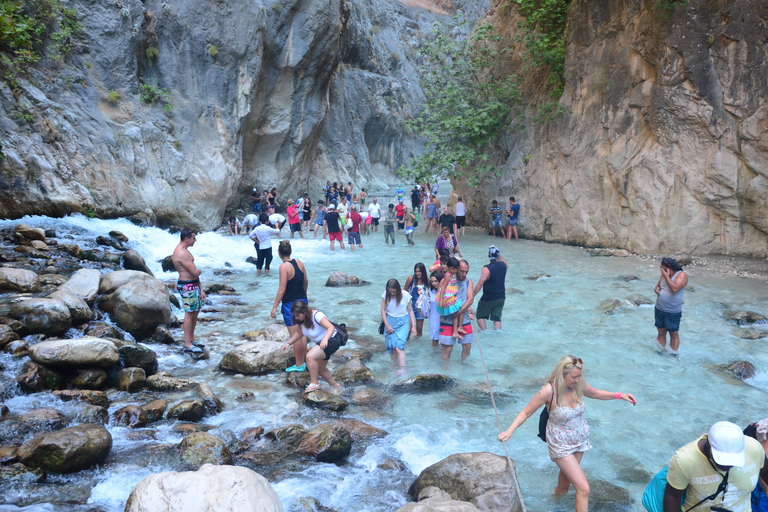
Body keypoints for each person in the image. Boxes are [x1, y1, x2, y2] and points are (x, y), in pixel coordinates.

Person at [498, 356, 637, 512]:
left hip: (579, 441)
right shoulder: (548, 391)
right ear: (562, 375)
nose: (578, 380)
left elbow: (597, 393)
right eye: (574, 377)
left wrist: (619, 395)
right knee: (584, 489)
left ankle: (554, 505)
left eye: (579, 376)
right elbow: (526, 412)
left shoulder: (577, 385)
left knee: (565, 485)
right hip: (560, 444)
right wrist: (510, 430)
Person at [663, 421, 768, 512]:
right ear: (708, 445)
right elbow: (673, 495)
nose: (727, 465)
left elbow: (765, 473)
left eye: (732, 460)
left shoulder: (755, 449)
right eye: (722, 460)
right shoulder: (684, 460)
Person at [281, 301, 342, 393]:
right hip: (322, 343)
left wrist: (325, 339)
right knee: (320, 370)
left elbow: (330, 327)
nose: (296, 318)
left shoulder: (317, 315)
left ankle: (314, 383)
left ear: (304, 312)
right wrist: (288, 343)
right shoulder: (301, 321)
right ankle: (336, 386)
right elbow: (299, 333)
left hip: (332, 340)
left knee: (310, 356)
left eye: (297, 315)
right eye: (295, 316)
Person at [270, 240, 309, 373]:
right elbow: (305, 281)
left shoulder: (283, 267)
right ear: (290, 251)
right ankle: (303, 361)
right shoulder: (299, 262)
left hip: (290, 305)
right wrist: (304, 296)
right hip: (302, 301)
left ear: (279, 253)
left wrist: (274, 306)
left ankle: (299, 365)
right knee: (302, 333)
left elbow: (282, 289)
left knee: (295, 335)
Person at [172, 229, 207, 355]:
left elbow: (194, 273)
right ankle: (187, 344)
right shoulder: (180, 253)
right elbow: (194, 272)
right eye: (193, 238)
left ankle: (191, 339)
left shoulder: (186, 251)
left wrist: (201, 288)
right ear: (186, 239)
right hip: (187, 286)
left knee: (195, 311)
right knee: (189, 313)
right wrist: (201, 270)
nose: (195, 240)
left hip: (193, 285)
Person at [438, 259, 475, 360]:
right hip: (447, 318)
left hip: (464, 317)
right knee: (447, 349)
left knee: (467, 347)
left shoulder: (468, 281)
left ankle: (463, 366)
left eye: (466, 272)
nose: (464, 274)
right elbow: (439, 295)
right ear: (456, 269)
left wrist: (458, 312)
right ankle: (445, 370)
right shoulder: (447, 279)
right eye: (462, 271)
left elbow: (470, 299)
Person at [654, 257, 688, 354]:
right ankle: (660, 352)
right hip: (659, 308)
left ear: (669, 267)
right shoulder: (663, 275)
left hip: (672, 311)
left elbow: (675, 289)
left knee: (673, 334)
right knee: (661, 332)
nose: (661, 269)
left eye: (662, 267)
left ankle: (673, 354)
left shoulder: (682, 275)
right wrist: (656, 290)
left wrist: (666, 276)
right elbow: (658, 286)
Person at [381, 278, 416, 369]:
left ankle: (403, 370)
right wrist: (387, 325)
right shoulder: (386, 295)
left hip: (403, 322)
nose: (392, 294)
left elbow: (411, 311)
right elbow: (382, 310)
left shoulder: (405, 295)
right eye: (390, 291)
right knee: (392, 348)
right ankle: (397, 364)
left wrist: (413, 326)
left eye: (394, 291)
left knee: (399, 347)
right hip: (390, 321)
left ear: (398, 289)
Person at [473, 246, 508, 331]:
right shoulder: (503, 266)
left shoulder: (487, 268)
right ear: (498, 256)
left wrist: (472, 295)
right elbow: (504, 262)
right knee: (497, 318)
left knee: (480, 315)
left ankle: (484, 331)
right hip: (501, 297)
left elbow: (480, 283)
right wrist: (499, 255)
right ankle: (498, 333)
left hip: (488, 298)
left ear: (488, 255)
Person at [249, 212, 280, 277]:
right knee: (268, 261)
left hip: (261, 247)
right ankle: (266, 275)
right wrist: (277, 226)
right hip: (268, 247)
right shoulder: (268, 228)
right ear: (266, 221)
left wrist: (257, 241)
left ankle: (258, 275)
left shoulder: (257, 228)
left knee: (260, 261)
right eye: (268, 220)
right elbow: (277, 231)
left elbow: (250, 235)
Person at [404, 263, 428, 337]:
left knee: (419, 328)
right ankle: (406, 343)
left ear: (423, 272)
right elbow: (404, 291)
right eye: (416, 271)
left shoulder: (426, 279)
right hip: (410, 306)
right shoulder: (411, 279)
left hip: (421, 307)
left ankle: (418, 344)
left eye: (419, 271)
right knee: (409, 328)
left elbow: (431, 290)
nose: (417, 273)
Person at [428, 270, 443, 349]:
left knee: (445, 341)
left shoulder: (446, 292)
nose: (434, 283)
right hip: (433, 318)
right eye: (432, 281)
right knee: (434, 340)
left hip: (444, 318)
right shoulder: (431, 291)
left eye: (436, 281)